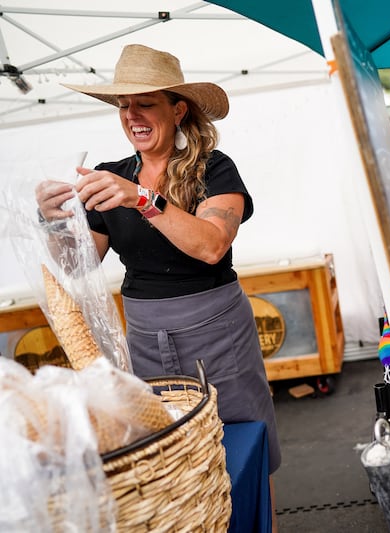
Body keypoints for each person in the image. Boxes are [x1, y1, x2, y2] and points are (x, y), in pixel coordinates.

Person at [34, 44, 282, 525]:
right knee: (174, 451)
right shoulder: (113, 176)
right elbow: (80, 263)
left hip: (216, 330)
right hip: (145, 334)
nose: (132, 115)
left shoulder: (214, 168)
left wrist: (145, 200)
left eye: (145, 102)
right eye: (124, 106)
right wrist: (53, 223)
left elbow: (211, 246)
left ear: (178, 108)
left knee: (243, 446)